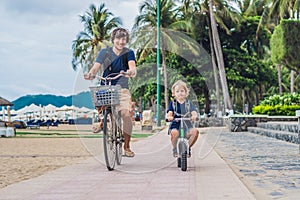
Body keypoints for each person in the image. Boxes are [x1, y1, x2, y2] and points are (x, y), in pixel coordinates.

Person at [84, 27, 137, 157]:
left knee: (125, 114)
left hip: (122, 88)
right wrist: (91, 74)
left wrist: (130, 72)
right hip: (106, 86)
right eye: (118, 38)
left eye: (124, 39)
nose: (121, 41)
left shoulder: (129, 53)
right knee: (98, 100)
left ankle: (127, 146)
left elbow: (132, 67)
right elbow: (96, 67)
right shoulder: (104, 52)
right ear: (113, 39)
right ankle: (103, 121)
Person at [166, 80, 199, 157]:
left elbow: (193, 111)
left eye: (182, 91)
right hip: (176, 124)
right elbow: (170, 112)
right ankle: (175, 149)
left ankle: (188, 147)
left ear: (186, 92)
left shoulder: (188, 103)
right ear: (174, 93)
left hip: (187, 124)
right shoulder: (173, 104)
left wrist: (194, 115)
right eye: (177, 91)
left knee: (195, 132)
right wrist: (169, 116)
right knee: (174, 133)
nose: (180, 93)